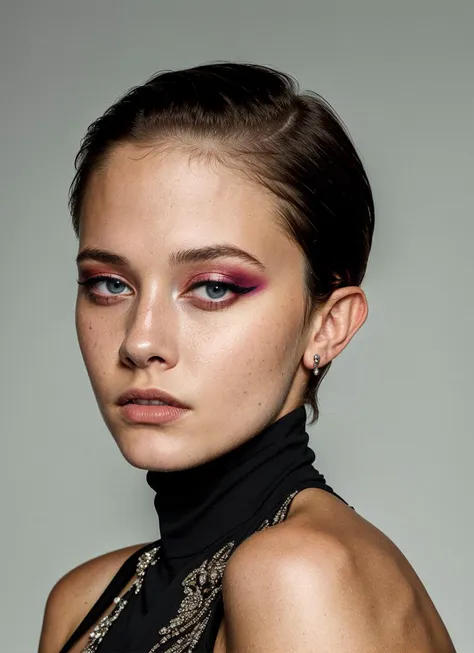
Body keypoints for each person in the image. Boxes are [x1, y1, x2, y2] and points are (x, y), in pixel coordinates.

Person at [38, 62, 456, 653]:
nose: (140, 341)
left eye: (213, 287)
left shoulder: (303, 577)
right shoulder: (84, 602)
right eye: (110, 284)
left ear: (328, 324)